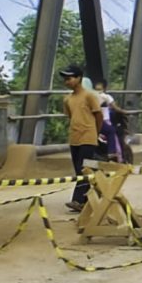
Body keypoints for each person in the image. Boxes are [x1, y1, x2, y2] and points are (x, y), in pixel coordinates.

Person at [60, 65, 102, 212]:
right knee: (82, 170)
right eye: (65, 79)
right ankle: (92, 197)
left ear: (79, 79)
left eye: (70, 78)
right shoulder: (67, 99)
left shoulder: (89, 96)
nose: (67, 81)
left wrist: (96, 132)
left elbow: (98, 114)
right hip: (74, 138)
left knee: (82, 169)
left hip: (88, 137)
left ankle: (77, 200)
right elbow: (71, 117)